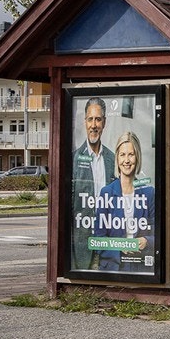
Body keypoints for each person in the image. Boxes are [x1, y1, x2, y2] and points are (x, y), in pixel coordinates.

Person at [94, 130, 157, 272]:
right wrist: (119, 246)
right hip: (113, 268)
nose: (126, 160)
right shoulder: (107, 193)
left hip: (141, 268)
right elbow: (98, 239)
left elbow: (158, 233)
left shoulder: (149, 193)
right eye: (122, 155)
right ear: (117, 158)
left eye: (131, 154)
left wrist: (147, 241)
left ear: (138, 157)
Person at [71, 97, 113, 270]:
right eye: (90, 119)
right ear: (85, 122)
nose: (94, 125)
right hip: (82, 240)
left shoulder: (112, 158)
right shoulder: (73, 158)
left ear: (104, 122)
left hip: (108, 236)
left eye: (98, 119)